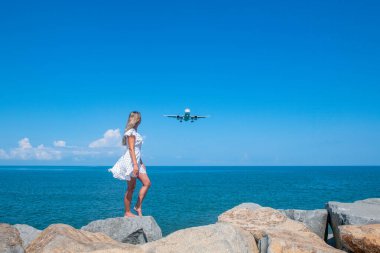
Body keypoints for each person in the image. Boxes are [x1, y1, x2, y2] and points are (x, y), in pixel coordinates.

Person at [108, 111, 151, 217]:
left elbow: (137, 150)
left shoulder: (135, 132)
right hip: (131, 162)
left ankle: (137, 206)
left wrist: (141, 162)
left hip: (136, 161)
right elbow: (131, 149)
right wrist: (135, 165)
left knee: (147, 183)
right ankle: (127, 212)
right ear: (137, 119)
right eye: (140, 118)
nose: (141, 120)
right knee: (131, 187)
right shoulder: (131, 132)